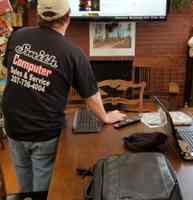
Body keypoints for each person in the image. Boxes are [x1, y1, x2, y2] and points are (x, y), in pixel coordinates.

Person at [2, 0, 126, 193]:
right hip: (43, 132)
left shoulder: (18, 35)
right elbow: (92, 97)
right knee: (42, 189)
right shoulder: (72, 53)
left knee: (23, 179)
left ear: (39, 15)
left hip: (13, 126)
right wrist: (106, 117)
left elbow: (9, 67)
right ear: (68, 17)